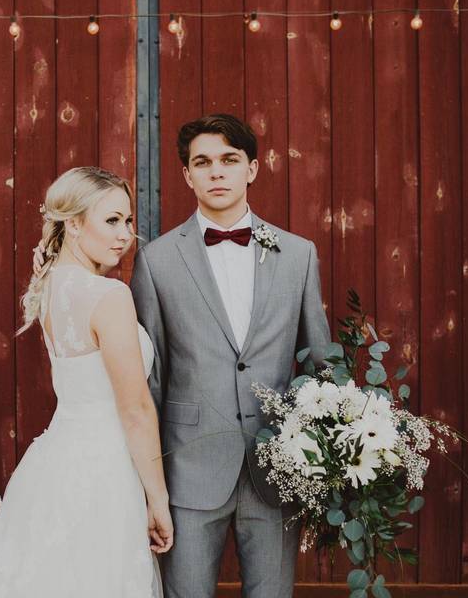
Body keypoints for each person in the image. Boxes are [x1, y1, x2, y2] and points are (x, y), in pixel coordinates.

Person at [129, 114, 331, 598]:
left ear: (252, 169)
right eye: (203, 163)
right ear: (187, 175)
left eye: (229, 160)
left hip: (276, 470)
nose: (216, 172)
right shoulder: (155, 261)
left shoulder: (299, 255)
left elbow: (320, 365)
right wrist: (148, 482)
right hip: (189, 469)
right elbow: (149, 383)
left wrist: (318, 458)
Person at [0, 166, 172, 597]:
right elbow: (134, 409)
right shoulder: (109, 296)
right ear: (75, 224)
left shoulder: (49, 285)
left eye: (128, 220)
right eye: (112, 220)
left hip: (54, 464)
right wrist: (158, 500)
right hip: (106, 470)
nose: (125, 234)